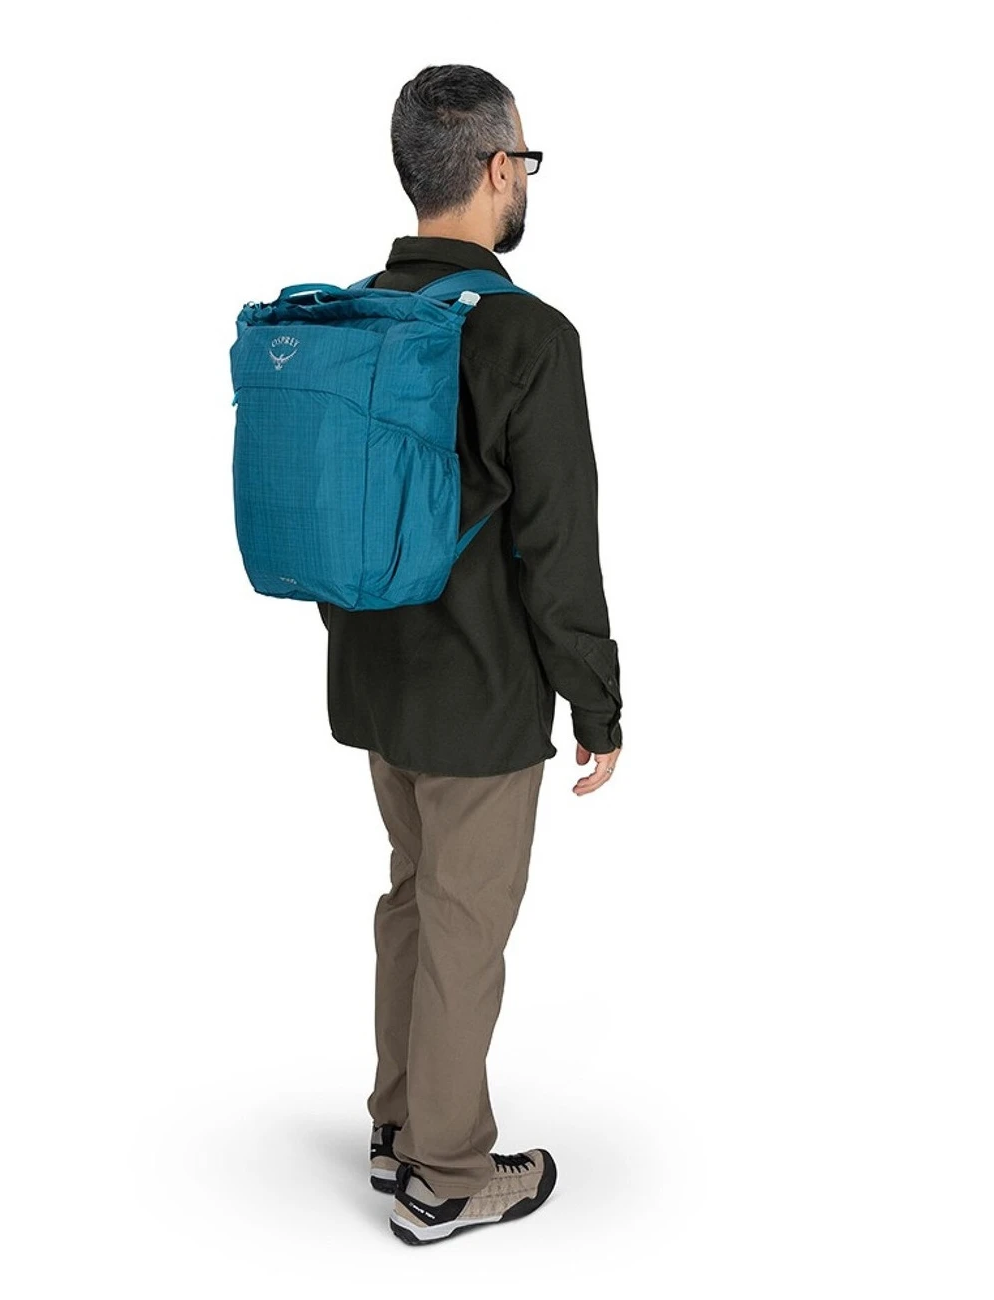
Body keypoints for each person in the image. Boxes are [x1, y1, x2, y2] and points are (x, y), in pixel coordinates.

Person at [317, 64, 624, 1246]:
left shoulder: (349, 318)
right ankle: (445, 1172)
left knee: (413, 895)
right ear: (498, 170)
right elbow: (558, 545)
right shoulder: (527, 335)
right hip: (481, 695)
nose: (523, 179)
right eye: (524, 162)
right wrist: (595, 702)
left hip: (375, 683)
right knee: (461, 918)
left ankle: (398, 1119)